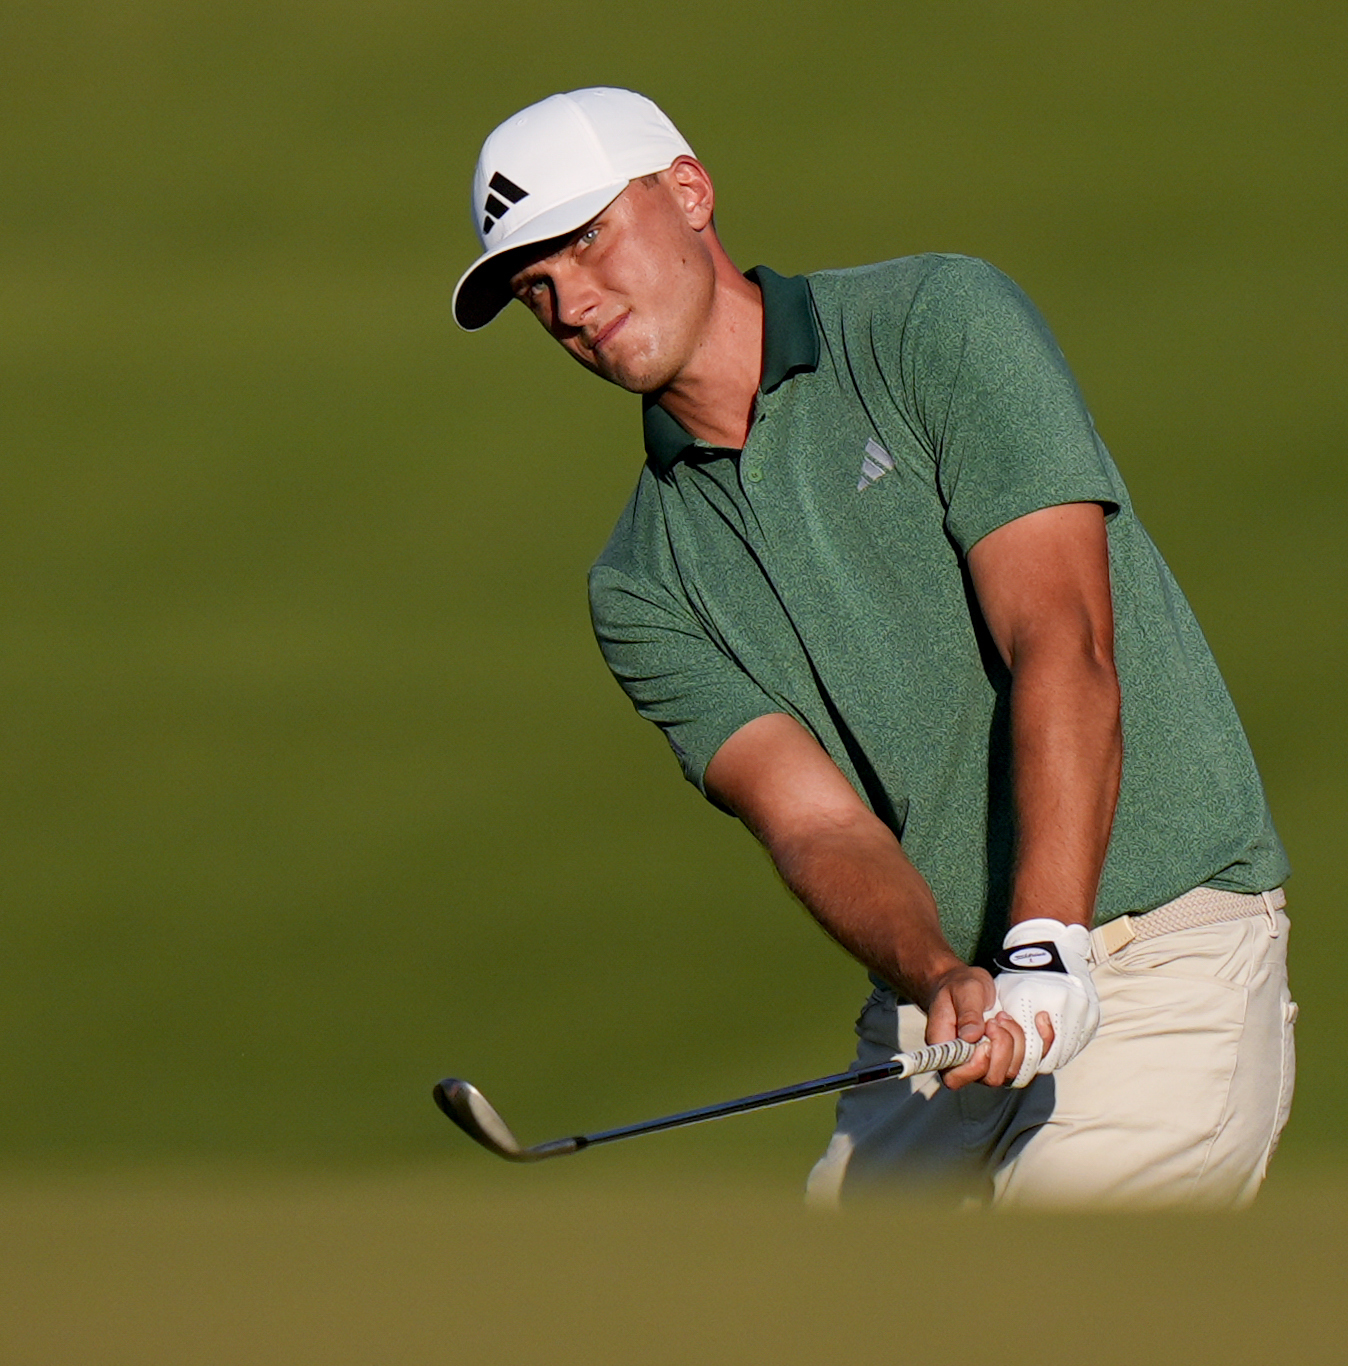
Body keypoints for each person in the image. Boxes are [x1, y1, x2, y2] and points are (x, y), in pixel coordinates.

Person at [451, 88, 1295, 1209]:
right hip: (939, 1020)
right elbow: (813, 822)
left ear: (690, 191)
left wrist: (1048, 944)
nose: (568, 300)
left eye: (587, 238)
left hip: (1155, 961)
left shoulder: (933, 324)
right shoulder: (641, 582)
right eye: (534, 284)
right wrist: (942, 973)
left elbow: (1062, 637)